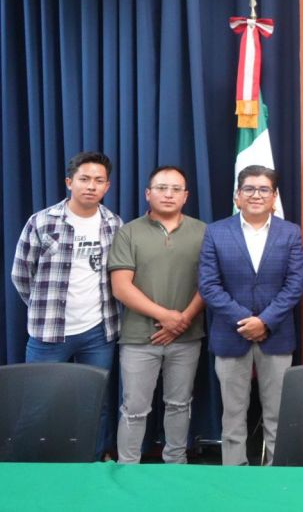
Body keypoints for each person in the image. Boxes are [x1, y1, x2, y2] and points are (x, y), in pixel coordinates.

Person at [11, 151, 123, 458]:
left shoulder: (114, 224)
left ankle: (92, 462)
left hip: (98, 333)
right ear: (69, 182)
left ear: (107, 186)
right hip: (49, 334)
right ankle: (23, 467)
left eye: (99, 180)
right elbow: (21, 275)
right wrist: (44, 309)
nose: (91, 186)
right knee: (37, 405)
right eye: (84, 179)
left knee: (94, 404)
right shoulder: (41, 222)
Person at [198, 165, 303, 466]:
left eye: (263, 189)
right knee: (233, 416)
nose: (256, 195)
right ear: (237, 195)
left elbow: (295, 284)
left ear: (274, 197)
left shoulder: (291, 232)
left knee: (277, 415)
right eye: (249, 189)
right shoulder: (216, 232)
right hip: (231, 335)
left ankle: (276, 477)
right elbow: (208, 285)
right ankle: (235, 476)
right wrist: (246, 321)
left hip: (277, 335)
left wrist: (265, 321)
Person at [108, 166, 206, 464]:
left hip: (187, 337)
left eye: (176, 189)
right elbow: (121, 287)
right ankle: (127, 468)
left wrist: (182, 321)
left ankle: (176, 464)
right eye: (162, 188)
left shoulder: (204, 232)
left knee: (180, 405)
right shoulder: (128, 232)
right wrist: (167, 317)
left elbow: (210, 283)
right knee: (134, 409)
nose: (168, 194)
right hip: (139, 338)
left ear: (186, 196)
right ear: (148, 193)